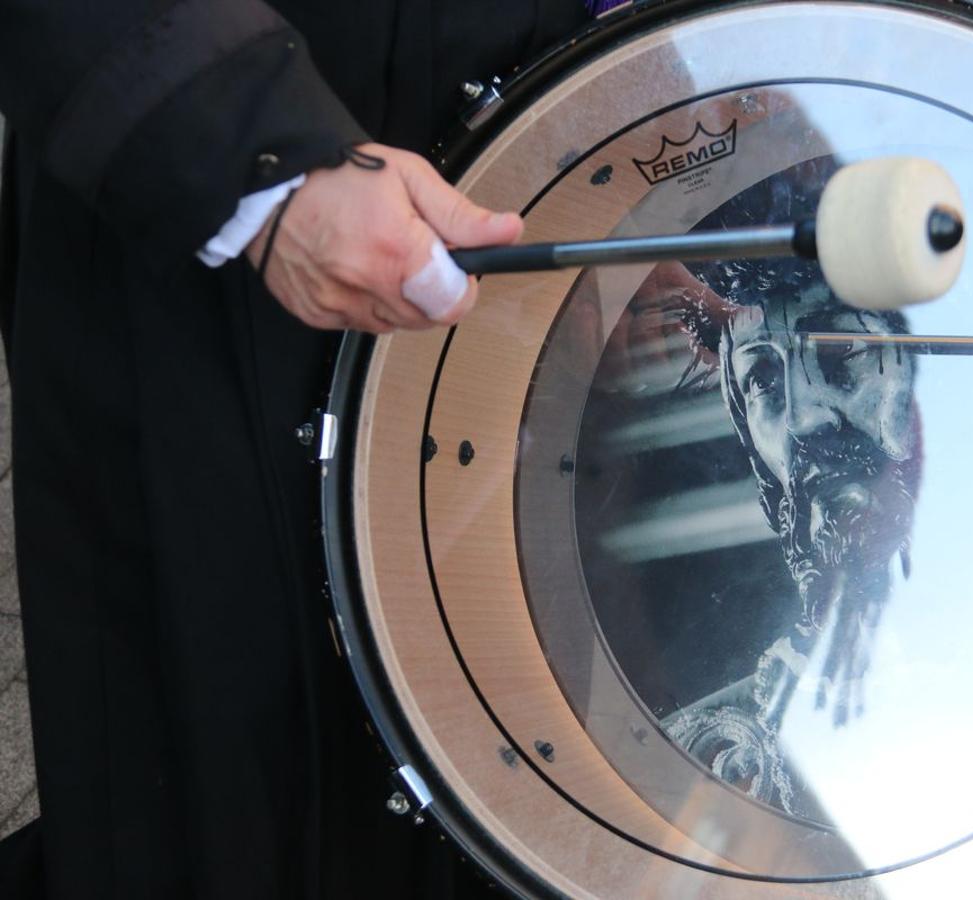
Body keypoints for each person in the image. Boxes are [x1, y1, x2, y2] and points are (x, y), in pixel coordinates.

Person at [0, 1, 597, 897]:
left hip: (532, 165)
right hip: (216, 212)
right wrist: (257, 161)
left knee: (515, 750)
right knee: (229, 785)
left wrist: (647, 113)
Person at [650, 160, 924, 818]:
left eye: (840, 358)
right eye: (766, 384)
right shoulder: (700, 713)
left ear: (908, 373)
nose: (806, 419)